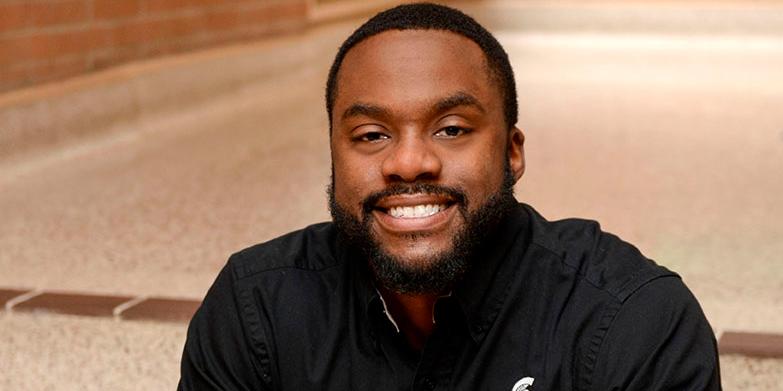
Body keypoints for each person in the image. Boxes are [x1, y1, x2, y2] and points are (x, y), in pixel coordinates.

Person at [178, 3, 721, 390]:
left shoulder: (632, 322)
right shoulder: (256, 313)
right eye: (371, 135)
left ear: (512, 152)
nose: (409, 162)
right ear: (333, 155)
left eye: (452, 128)